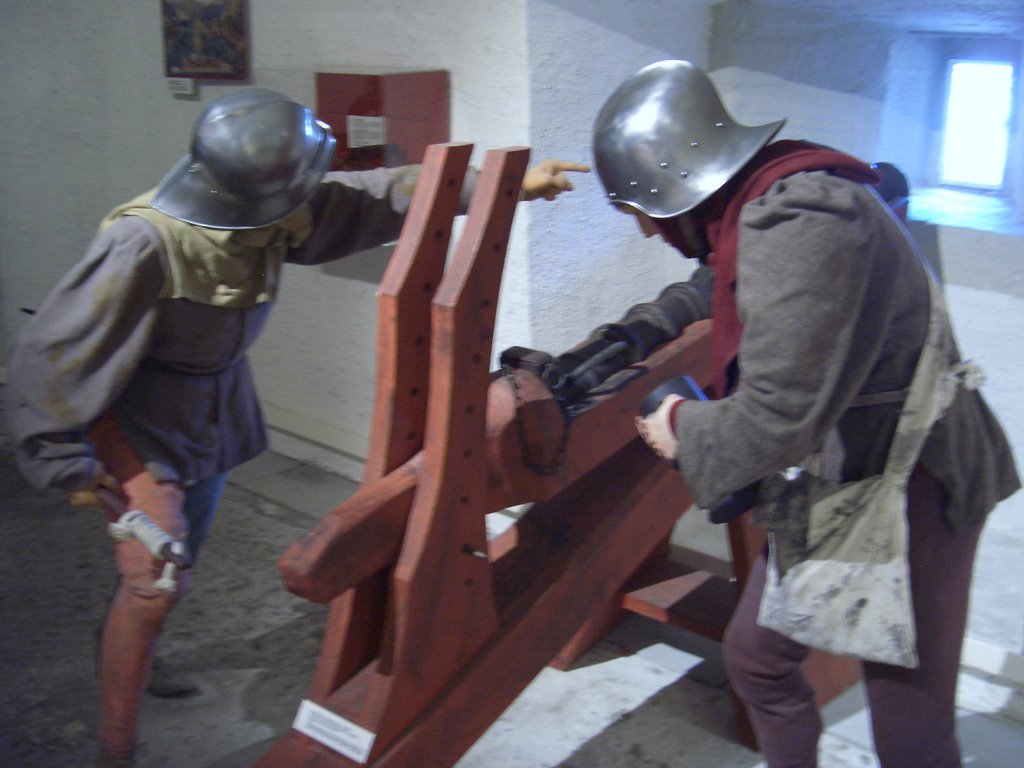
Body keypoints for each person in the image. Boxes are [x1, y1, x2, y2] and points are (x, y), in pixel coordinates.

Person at [5, 86, 588, 766]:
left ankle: (136, 646)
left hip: (215, 410)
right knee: (154, 578)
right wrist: (62, 462)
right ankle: (116, 747)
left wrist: (503, 185)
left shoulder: (270, 213)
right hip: (139, 422)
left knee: (179, 559)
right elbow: (48, 356)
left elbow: (374, 194)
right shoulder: (141, 244)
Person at [599, 61, 1019, 767]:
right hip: (854, 466)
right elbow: (726, 279)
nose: (645, 231)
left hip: (917, 476)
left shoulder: (801, 218)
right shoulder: (767, 203)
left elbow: (775, 417)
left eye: (642, 211)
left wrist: (678, 428)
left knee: (908, 727)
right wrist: (638, 332)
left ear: (678, 185)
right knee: (757, 660)